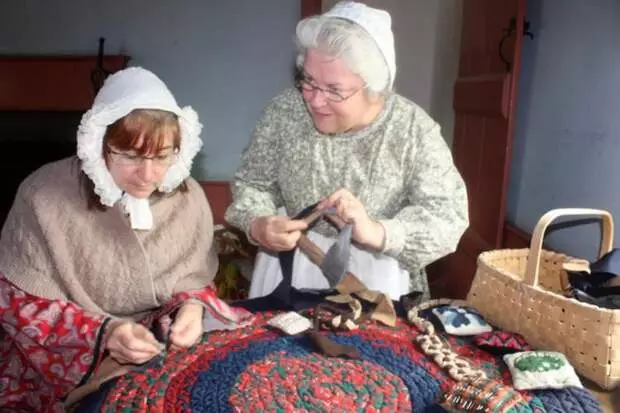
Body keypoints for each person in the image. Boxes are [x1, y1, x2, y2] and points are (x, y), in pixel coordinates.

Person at [0, 67, 252, 411]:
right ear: (99, 144)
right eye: (131, 156)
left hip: (152, 345)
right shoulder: (42, 195)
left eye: (162, 156)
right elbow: (19, 303)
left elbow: (193, 280)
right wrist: (105, 334)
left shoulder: (187, 196)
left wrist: (191, 309)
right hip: (63, 358)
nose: (148, 175)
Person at [225, 1, 469, 301]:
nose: (315, 100)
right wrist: (258, 222)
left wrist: (377, 232)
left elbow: (448, 217)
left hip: (377, 278)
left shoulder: (413, 131)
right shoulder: (284, 111)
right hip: (289, 266)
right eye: (309, 81)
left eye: (334, 90)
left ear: (374, 89)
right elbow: (252, 182)